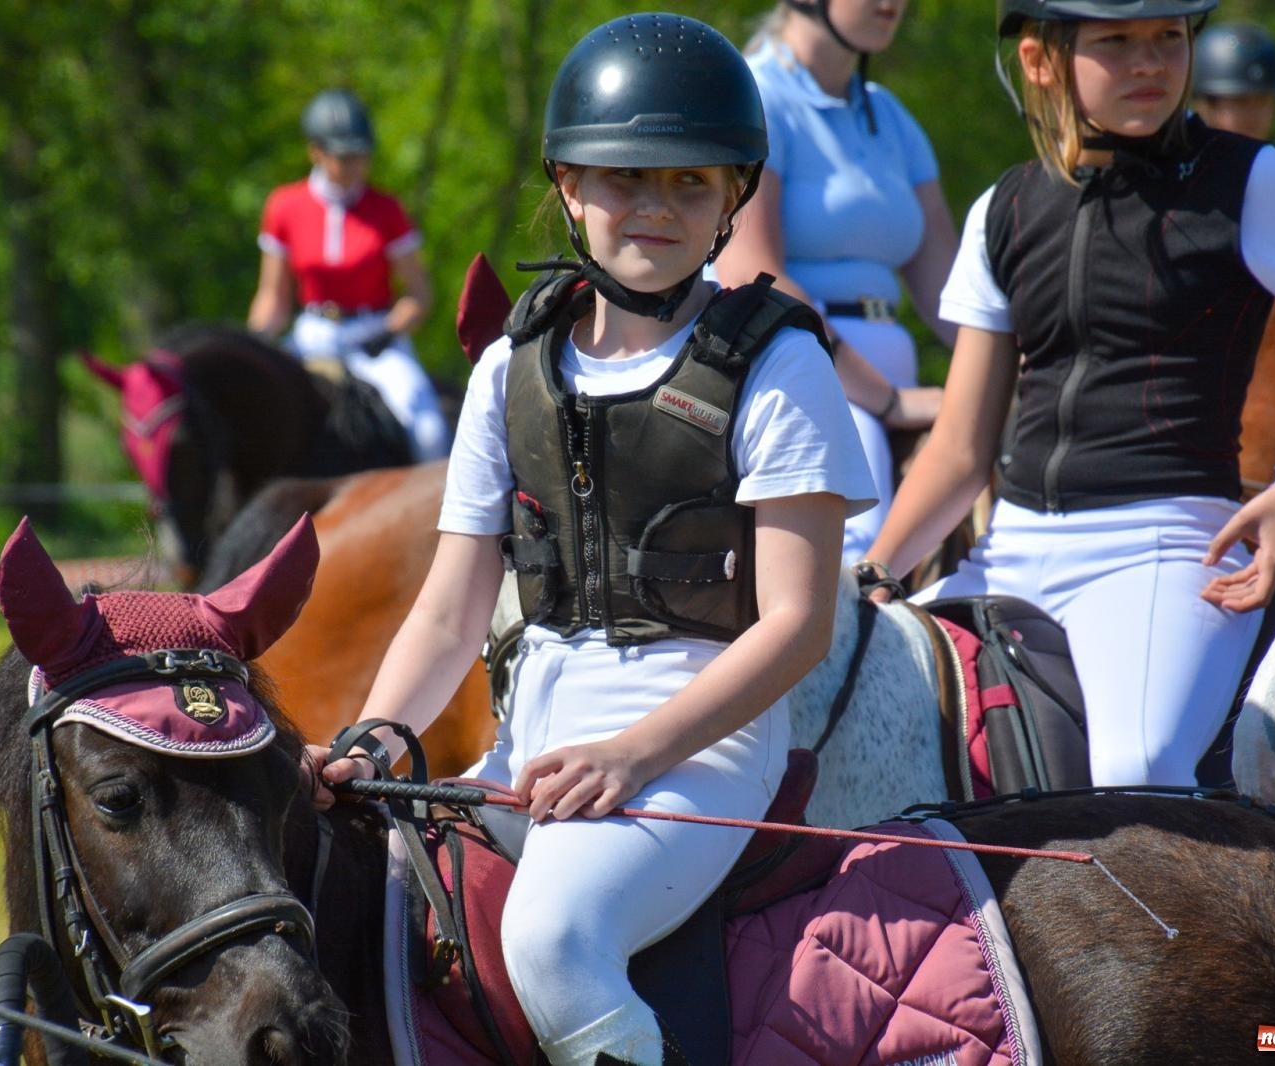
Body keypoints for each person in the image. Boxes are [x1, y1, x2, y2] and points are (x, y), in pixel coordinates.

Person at [307, 14, 873, 1065]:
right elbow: (450, 606)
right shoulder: (505, 371)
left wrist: (633, 753)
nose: (655, 209)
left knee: (556, 938)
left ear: (730, 200)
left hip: (701, 750)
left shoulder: (778, 366)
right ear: (568, 183)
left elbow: (797, 624)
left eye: (691, 185)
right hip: (534, 740)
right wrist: (378, 733)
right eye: (624, 180)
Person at [858, 0, 1275, 788]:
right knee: (859, 720)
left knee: (1139, 770)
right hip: (1011, 547)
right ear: (1039, 61)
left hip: (1166, 543)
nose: (1150, 62)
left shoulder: (1252, 181)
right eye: (1116, 41)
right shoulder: (1001, 208)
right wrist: (876, 572)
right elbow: (959, 449)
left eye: (1168, 37)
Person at [716, 0, 957, 561]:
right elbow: (754, 277)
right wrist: (888, 400)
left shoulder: (888, 114)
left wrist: (1031, 367)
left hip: (890, 387)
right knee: (858, 499)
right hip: (797, 376)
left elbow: (952, 290)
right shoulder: (754, 95)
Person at [247, 87, 451, 461]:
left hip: (375, 337)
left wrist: (391, 329)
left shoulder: (386, 210)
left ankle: (439, 515)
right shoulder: (284, 207)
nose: (356, 166)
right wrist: (254, 344)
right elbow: (273, 297)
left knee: (428, 426)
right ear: (316, 152)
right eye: (345, 157)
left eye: (362, 156)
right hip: (312, 337)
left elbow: (419, 294)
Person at [1191, 20, 1275, 142]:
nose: (1254, 115)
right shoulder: (1180, 159)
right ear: (1204, 106)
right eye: (1241, 101)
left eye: (1262, 101)